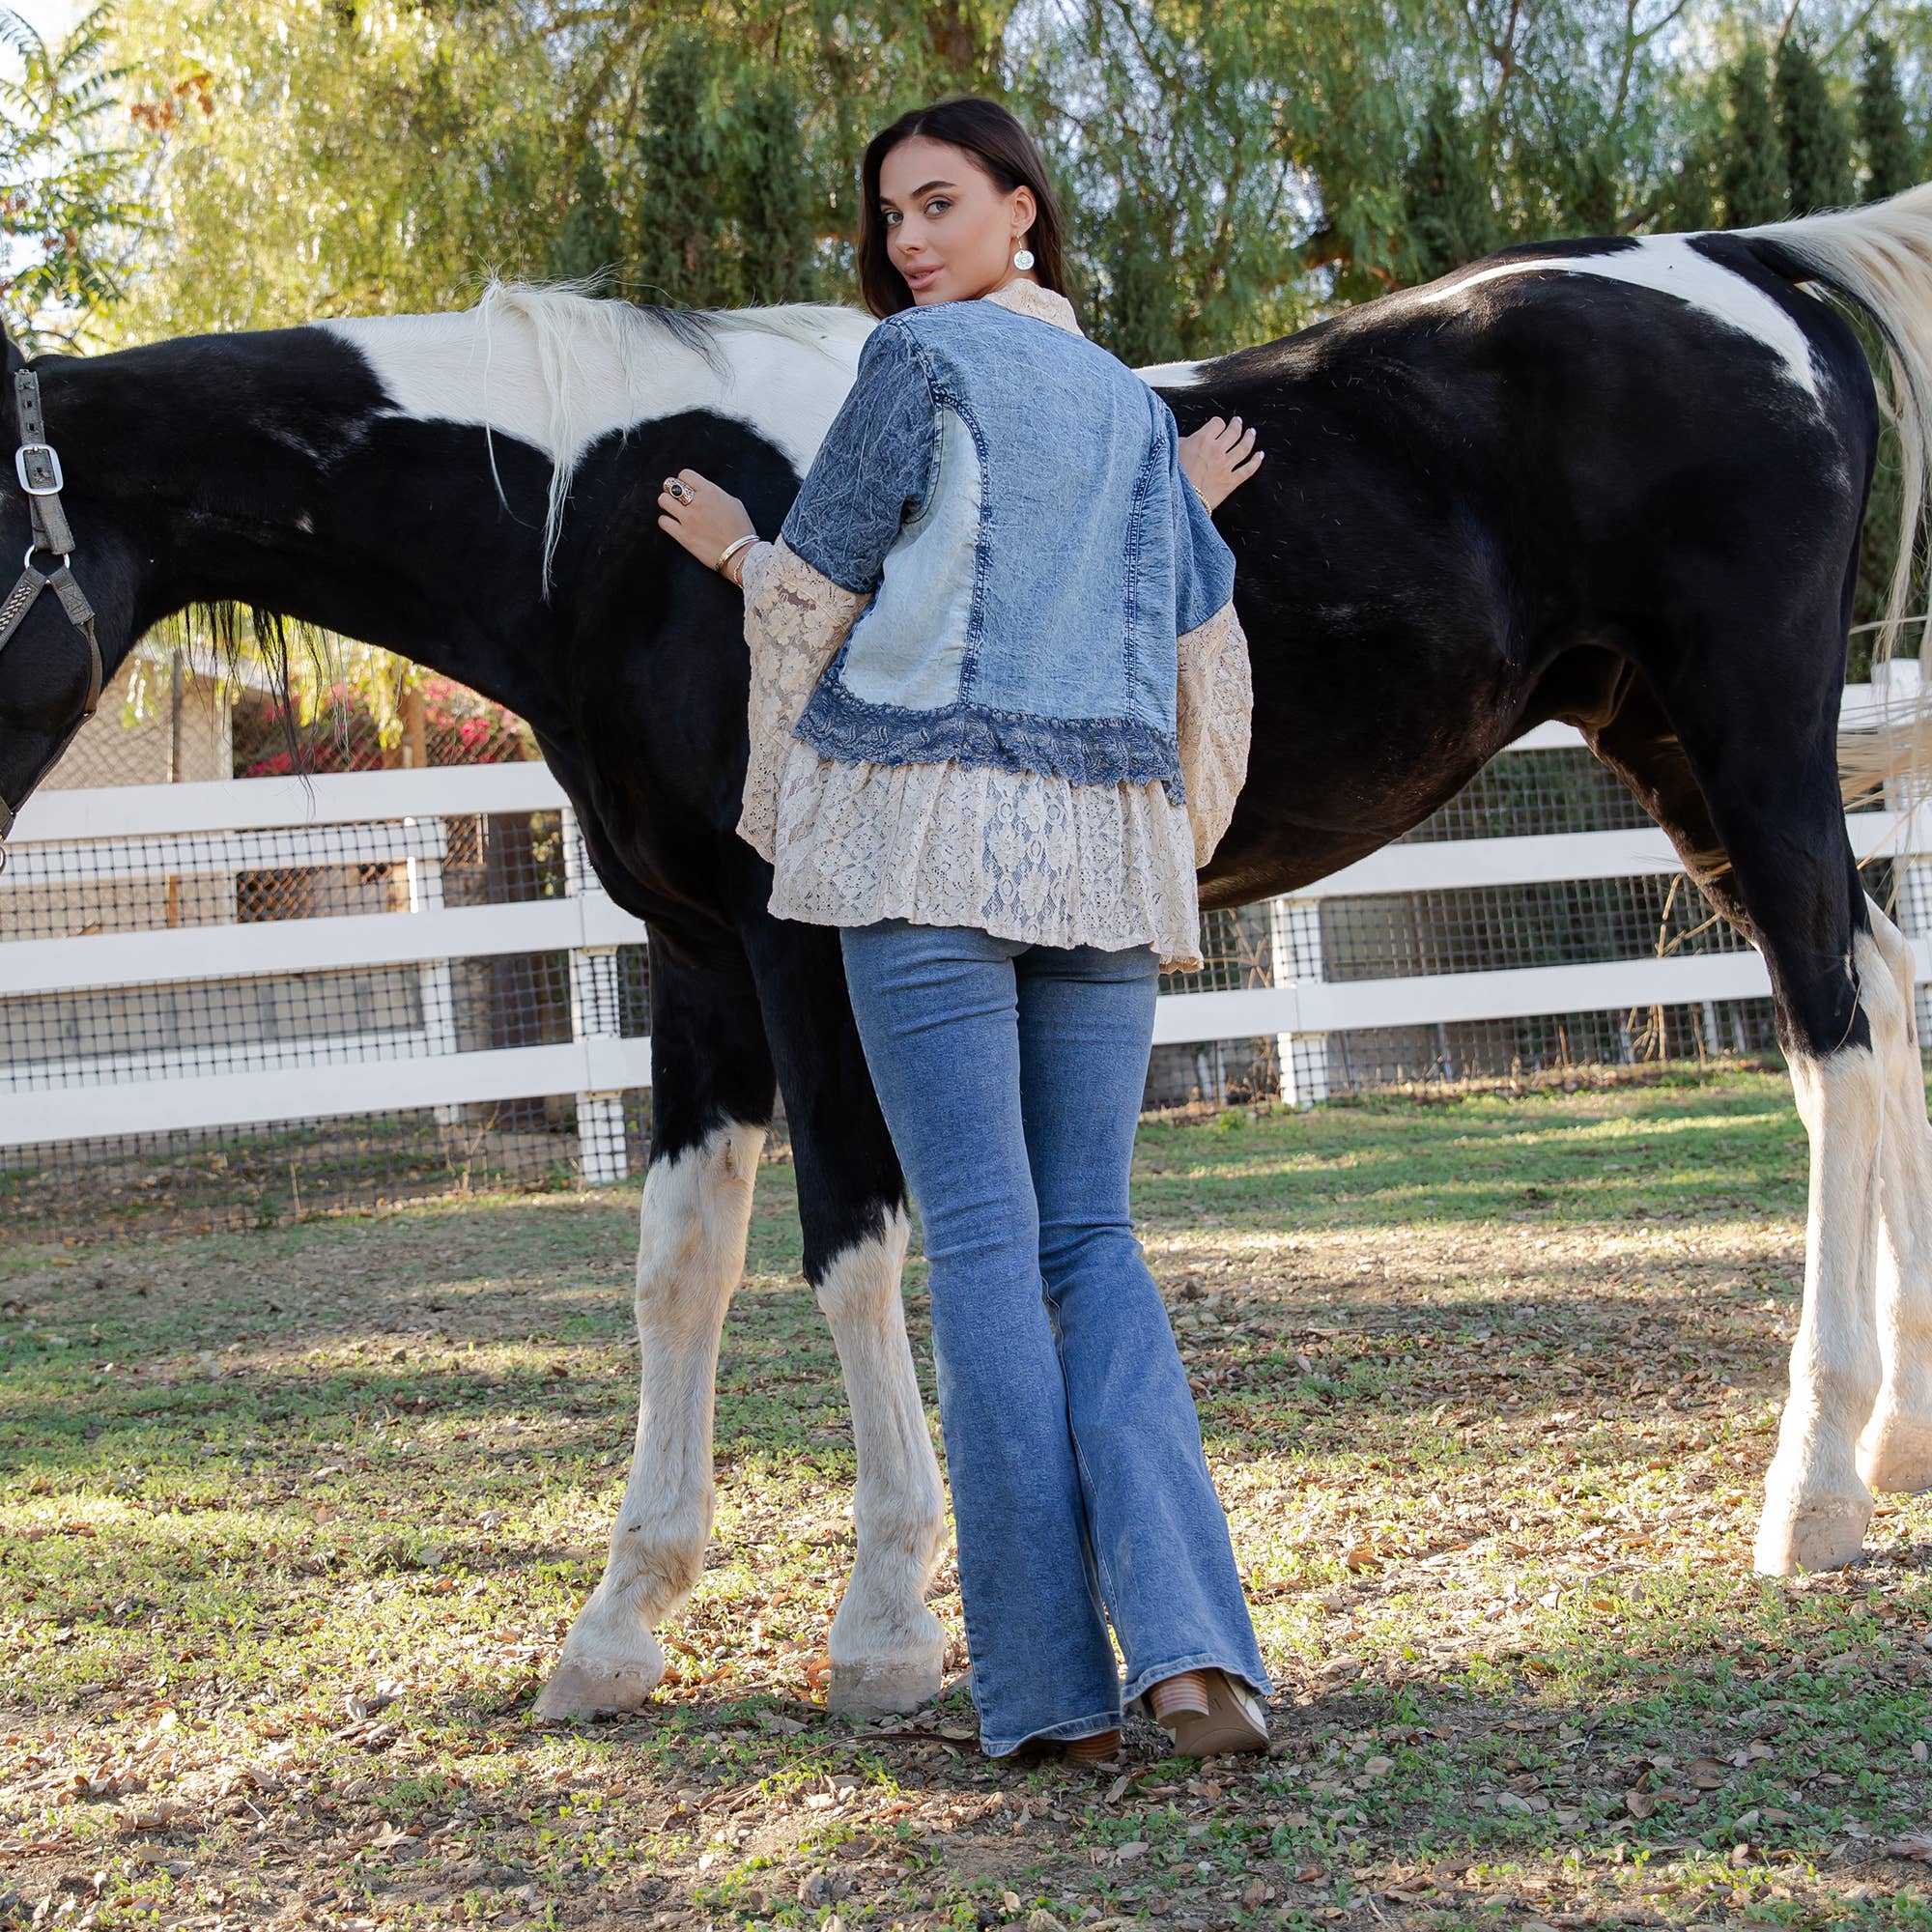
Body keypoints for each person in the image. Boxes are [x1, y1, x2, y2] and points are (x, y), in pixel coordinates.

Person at [656, 94, 1268, 1765]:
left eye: (938, 207)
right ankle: (1199, 1655)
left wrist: (733, 553)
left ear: (1023, 213)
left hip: (930, 847)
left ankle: (1057, 1691)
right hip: (1102, 863)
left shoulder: (913, 370)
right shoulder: (1133, 415)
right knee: (1098, 1244)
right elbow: (1200, 647)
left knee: (991, 1252)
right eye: (891, 219)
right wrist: (1183, 491)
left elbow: (825, 588)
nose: (908, 242)